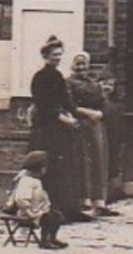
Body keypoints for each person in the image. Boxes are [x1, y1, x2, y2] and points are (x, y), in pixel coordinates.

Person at [29, 37, 89, 224]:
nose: (58, 58)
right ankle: (52, 211)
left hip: (61, 129)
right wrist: (64, 119)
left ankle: (69, 209)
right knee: (52, 168)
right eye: (55, 55)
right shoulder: (40, 77)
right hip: (48, 129)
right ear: (46, 56)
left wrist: (74, 115)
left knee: (67, 168)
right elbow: (45, 106)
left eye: (60, 54)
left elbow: (66, 101)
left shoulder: (57, 76)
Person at [67, 52, 118, 217]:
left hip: (96, 126)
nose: (81, 67)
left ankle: (100, 201)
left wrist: (101, 113)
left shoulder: (94, 84)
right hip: (80, 126)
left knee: (99, 161)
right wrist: (87, 112)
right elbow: (69, 105)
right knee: (84, 162)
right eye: (77, 64)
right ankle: (85, 200)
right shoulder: (68, 83)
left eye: (83, 64)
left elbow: (104, 103)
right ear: (72, 66)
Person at [3, 150, 67, 250]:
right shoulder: (26, 181)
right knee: (49, 218)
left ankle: (52, 237)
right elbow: (21, 199)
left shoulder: (36, 181)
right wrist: (29, 213)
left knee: (57, 215)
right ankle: (44, 240)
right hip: (26, 213)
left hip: (37, 211)